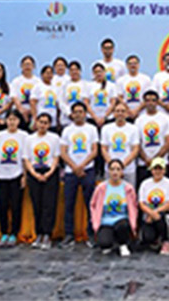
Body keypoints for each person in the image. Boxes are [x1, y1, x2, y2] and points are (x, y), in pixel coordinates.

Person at [59, 101, 100, 248]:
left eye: (81, 112)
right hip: (70, 171)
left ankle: (90, 234)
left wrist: (82, 166)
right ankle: (69, 234)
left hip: (87, 170)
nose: (78, 114)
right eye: (75, 112)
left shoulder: (91, 129)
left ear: (85, 113)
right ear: (71, 114)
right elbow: (63, 152)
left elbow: (95, 150)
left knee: (90, 203)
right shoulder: (67, 130)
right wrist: (74, 166)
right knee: (69, 204)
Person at [23, 112, 62, 250]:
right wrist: (33, 174)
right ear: (36, 123)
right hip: (34, 173)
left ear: (49, 124)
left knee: (49, 204)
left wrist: (49, 173)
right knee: (37, 204)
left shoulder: (54, 138)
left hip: (50, 172)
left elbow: (56, 157)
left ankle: (47, 234)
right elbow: (26, 158)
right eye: (41, 122)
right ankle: (38, 233)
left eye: (46, 122)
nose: (43, 125)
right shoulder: (29, 139)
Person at [0, 110, 28, 248]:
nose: (12, 122)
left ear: (19, 121)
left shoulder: (24, 136)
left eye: (15, 119)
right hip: (1, 175)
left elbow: (25, 158)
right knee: (3, 205)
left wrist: (24, 175)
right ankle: (4, 233)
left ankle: (14, 233)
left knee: (16, 205)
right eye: (9, 119)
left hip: (16, 174)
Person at [90, 158, 138, 257]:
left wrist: (133, 224)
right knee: (104, 244)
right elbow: (93, 204)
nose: (115, 172)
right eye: (112, 169)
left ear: (122, 172)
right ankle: (111, 241)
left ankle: (123, 244)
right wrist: (95, 222)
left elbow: (133, 207)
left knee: (122, 226)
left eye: (118, 169)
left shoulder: (128, 188)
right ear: (108, 171)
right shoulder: (101, 188)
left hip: (121, 220)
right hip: (105, 222)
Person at [136, 157, 169, 255]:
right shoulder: (145, 184)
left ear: (164, 170)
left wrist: (155, 212)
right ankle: (155, 238)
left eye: (160, 169)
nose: (157, 171)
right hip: (149, 213)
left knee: (160, 217)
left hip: (165, 213)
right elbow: (141, 203)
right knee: (148, 237)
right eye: (155, 169)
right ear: (151, 170)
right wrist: (150, 213)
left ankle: (166, 241)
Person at [133, 91, 169, 185]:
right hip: (143, 163)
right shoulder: (139, 120)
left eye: (153, 100)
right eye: (148, 100)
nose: (150, 103)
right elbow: (137, 143)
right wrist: (146, 159)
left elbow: (168, 142)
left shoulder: (165, 119)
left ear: (157, 102)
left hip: (162, 162)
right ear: (144, 102)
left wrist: (155, 159)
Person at [101, 102, 142, 188]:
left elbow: (135, 149)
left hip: (128, 169)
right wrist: (113, 166)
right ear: (113, 113)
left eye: (123, 111)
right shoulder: (106, 128)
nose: (120, 113)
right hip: (110, 169)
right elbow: (104, 149)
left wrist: (122, 166)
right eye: (117, 111)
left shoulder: (133, 129)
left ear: (127, 114)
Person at [58, 61, 93, 130]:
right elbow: (61, 102)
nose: (74, 72)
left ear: (80, 71)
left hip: (83, 119)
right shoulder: (64, 85)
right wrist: (70, 114)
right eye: (71, 70)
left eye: (76, 70)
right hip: (67, 120)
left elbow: (88, 101)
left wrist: (81, 113)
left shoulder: (86, 85)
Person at [30, 65, 62, 131]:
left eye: (51, 73)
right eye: (47, 73)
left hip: (53, 122)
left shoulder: (55, 88)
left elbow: (57, 105)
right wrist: (35, 119)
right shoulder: (38, 86)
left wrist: (58, 120)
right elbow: (32, 103)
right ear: (42, 74)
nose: (49, 75)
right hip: (41, 121)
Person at [11, 55, 40, 122]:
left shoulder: (38, 81)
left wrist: (32, 112)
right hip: (19, 113)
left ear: (34, 66)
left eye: (29, 64)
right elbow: (14, 97)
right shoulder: (16, 81)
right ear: (21, 66)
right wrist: (22, 110)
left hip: (34, 113)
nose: (27, 66)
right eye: (25, 64)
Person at [85, 63, 116, 127]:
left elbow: (113, 103)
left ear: (104, 72)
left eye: (100, 71)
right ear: (93, 74)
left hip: (108, 118)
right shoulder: (88, 85)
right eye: (96, 72)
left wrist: (105, 117)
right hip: (92, 119)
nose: (98, 74)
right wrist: (95, 117)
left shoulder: (111, 86)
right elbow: (86, 102)